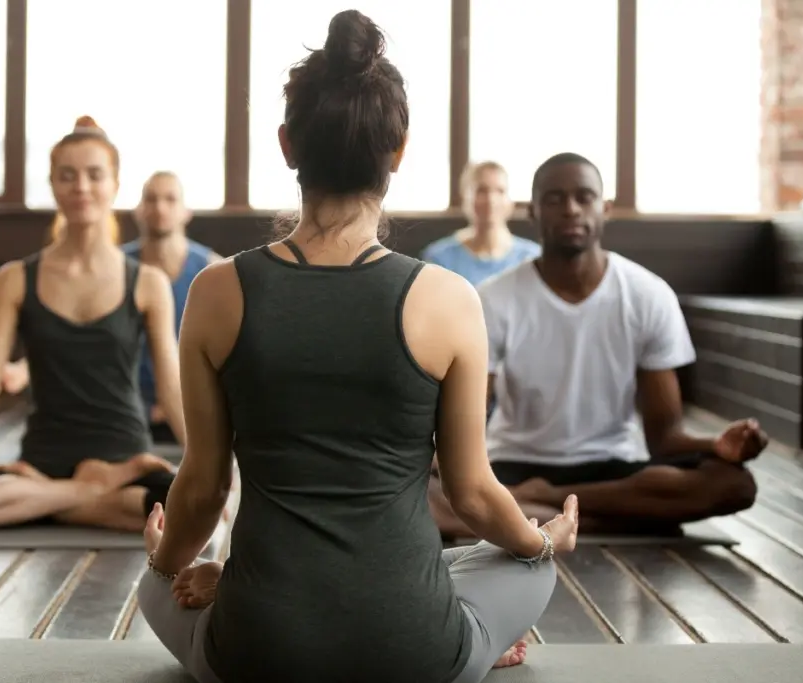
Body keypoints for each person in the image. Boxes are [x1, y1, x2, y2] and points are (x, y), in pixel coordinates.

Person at [133, 11, 579, 683]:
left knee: (152, 581)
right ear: (398, 150)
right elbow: (473, 496)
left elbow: (201, 487)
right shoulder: (450, 297)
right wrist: (544, 540)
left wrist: (164, 561)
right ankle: (482, 639)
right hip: (415, 651)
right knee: (522, 564)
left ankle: (233, 579)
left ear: (287, 145)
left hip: (257, 654)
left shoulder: (216, 289)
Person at [433, 152, 765, 538]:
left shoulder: (647, 295)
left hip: (610, 464)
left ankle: (540, 507)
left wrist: (716, 444)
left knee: (734, 485)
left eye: (584, 197)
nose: (571, 209)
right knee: (422, 488)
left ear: (604, 208)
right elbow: (466, 419)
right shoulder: (493, 298)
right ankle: (603, 518)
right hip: (514, 463)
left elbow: (665, 437)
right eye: (555, 199)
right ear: (533, 213)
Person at [0, 116, 187, 533]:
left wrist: (202, 468)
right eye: (67, 176)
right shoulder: (14, 279)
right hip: (42, 460)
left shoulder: (148, 283)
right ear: (53, 184)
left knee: (185, 503)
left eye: (94, 175)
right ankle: (84, 496)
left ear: (115, 184)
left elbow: (173, 387)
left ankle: (46, 502)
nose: (81, 187)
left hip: (123, 456)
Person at [2, 171, 221, 441]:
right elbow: (77, 328)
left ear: (186, 211)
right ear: (139, 210)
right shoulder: (113, 267)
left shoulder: (213, 270)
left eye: (170, 199)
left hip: (190, 401)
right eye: (151, 199)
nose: (160, 208)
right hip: (123, 402)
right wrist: (26, 368)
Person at [421, 161, 540, 286]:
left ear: (511, 201)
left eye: (500, 191)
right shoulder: (440, 259)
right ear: (464, 197)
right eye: (481, 191)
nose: (491, 200)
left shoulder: (533, 258)